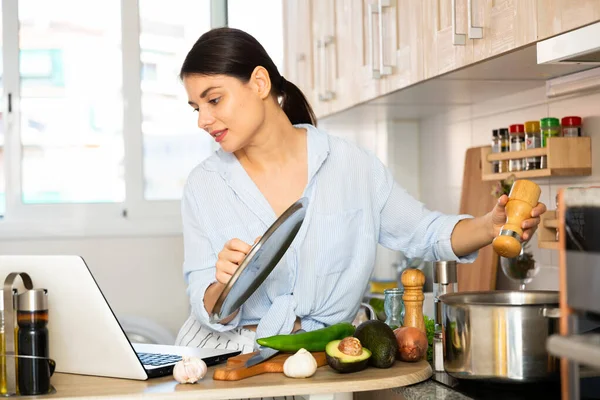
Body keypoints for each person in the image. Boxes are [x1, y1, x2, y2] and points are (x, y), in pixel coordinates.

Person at [174, 27, 546, 353]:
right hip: (233, 362)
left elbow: (425, 232)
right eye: (195, 108)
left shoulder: (351, 166)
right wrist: (226, 285)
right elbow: (204, 303)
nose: (204, 120)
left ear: (259, 83)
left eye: (214, 99)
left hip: (331, 357)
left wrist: (488, 226)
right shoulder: (203, 186)